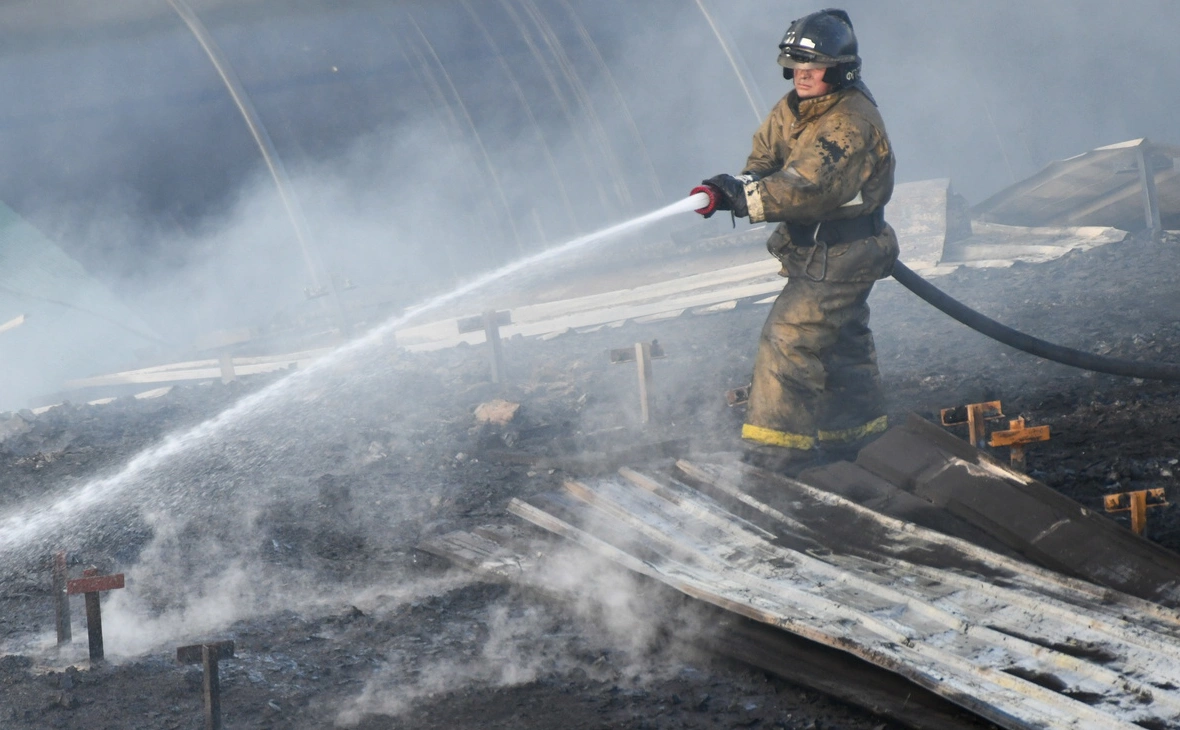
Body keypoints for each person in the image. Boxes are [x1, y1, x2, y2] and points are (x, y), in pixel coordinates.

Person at [698, 8, 898, 469]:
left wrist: (744, 197)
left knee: (790, 338)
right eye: (796, 66)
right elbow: (767, 157)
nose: (801, 75)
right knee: (841, 340)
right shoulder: (794, 108)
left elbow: (811, 186)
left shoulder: (848, 122)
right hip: (820, 251)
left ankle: (774, 451)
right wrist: (738, 183)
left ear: (841, 68)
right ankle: (856, 436)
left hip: (844, 255)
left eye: (813, 67)